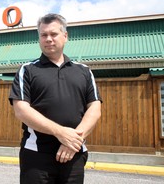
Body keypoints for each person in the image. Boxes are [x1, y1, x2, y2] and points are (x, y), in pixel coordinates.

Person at [9, 13, 102, 184]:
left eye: (53, 34)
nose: (48, 39)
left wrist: (72, 141)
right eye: (43, 35)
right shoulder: (27, 70)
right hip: (36, 155)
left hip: (74, 153)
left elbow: (95, 109)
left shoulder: (83, 71)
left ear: (65, 36)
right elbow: (21, 110)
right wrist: (60, 132)